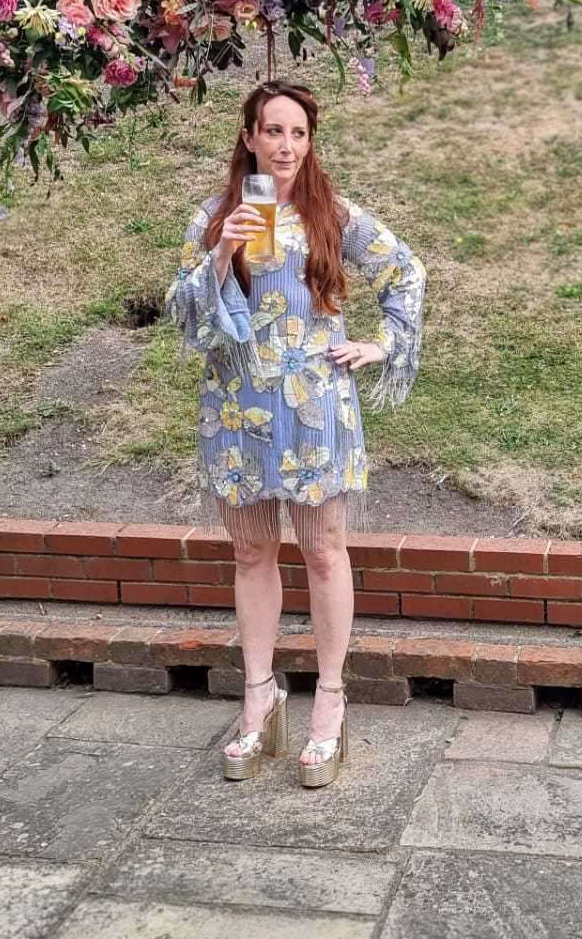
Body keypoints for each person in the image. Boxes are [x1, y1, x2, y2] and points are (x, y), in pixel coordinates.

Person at [165, 79, 426, 788]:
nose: (285, 145)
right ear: (248, 136)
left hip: (314, 404)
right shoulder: (215, 215)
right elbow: (183, 315)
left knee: (323, 549)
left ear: (309, 142)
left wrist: (382, 345)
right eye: (272, 130)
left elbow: (403, 270)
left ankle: (330, 702)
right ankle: (259, 697)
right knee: (252, 551)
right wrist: (220, 252)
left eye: (298, 133)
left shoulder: (330, 214)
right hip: (236, 404)